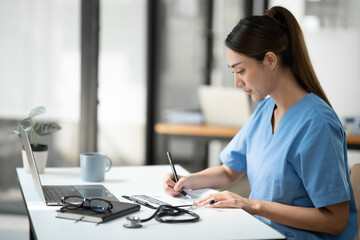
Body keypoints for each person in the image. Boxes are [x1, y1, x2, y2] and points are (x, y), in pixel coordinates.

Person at [163, 6, 358, 239]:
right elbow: (229, 171)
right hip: (259, 231)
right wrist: (188, 181)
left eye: (241, 70)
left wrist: (251, 204)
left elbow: (336, 220)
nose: (237, 82)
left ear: (269, 60)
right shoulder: (266, 110)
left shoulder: (317, 124)